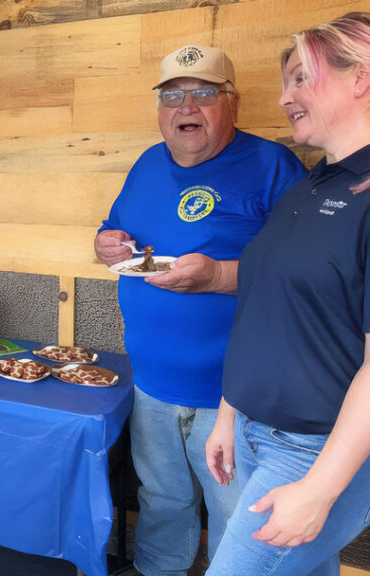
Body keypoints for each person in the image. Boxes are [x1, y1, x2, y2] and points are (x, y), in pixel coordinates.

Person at [95, 45, 307, 575]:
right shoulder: (146, 163)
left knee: (236, 514)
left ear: (232, 103)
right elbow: (113, 230)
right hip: (150, 385)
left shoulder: (272, 165)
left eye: (204, 93)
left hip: (236, 396)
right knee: (162, 501)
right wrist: (105, 243)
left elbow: (305, 275)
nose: (186, 105)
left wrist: (217, 276)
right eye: (172, 95)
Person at [205, 13, 370, 575]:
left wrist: (320, 490)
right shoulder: (312, 182)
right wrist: (230, 414)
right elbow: (265, 304)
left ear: (361, 77)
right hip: (256, 433)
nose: (283, 98)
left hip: (316, 449)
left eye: (301, 79)